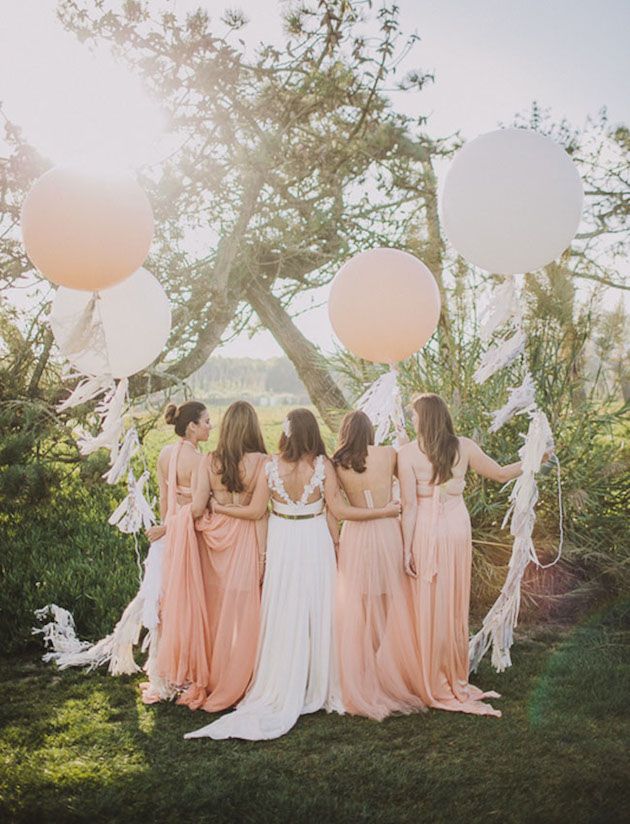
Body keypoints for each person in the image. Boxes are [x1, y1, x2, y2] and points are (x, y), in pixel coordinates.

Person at [184, 408, 398, 741]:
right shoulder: (323, 466)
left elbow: (256, 512)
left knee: (284, 610)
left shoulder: (271, 465)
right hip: (314, 538)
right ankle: (320, 680)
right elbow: (337, 511)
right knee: (319, 609)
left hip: (284, 538)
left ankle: (282, 680)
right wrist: (340, 543)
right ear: (313, 433)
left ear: (286, 432)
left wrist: (219, 507)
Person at [398, 393, 550, 717]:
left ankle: (427, 669)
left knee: (427, 598)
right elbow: (499, 473)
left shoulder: (407, 453)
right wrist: (533, 460)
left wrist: (405, 547)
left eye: (414, 416)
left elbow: (410, 507)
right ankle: (450, 671)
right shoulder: (463, 446)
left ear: (424, 418)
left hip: (425, 529)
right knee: (452, 597)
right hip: (456, 528)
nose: (412, 420)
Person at [175, 401, 267, 712]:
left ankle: (216, 675)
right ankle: (243, 675)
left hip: (215, 542)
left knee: (217, 612)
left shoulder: (209, 461)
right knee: (244, 613)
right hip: (245, 540)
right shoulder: (264, 463)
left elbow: (198, 508)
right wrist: (264, 557)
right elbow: (259, 514)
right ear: (253, 427)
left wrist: (171, 524)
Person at [332, 410, 424, 720]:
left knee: (358, 600)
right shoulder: (388, 453)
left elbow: (339, 509)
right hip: (386, 532)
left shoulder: (337, 462)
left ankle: (360, 666)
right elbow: (413, 475)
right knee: (386, 597)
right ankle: (373, 660)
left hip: (356, 534)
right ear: (370, 430)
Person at [141, 400, 212, 703]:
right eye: (207, 421)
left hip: (167, 535)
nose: (211, 425)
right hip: (186, 537)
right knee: (189, 605)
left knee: (168, 606)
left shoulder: (165, 454)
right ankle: (184, 672)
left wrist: (163, 528)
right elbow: (198, 508)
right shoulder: (199, 461)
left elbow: (164, 500)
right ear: (192, 426)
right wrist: (172, 529)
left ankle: (166, 671)